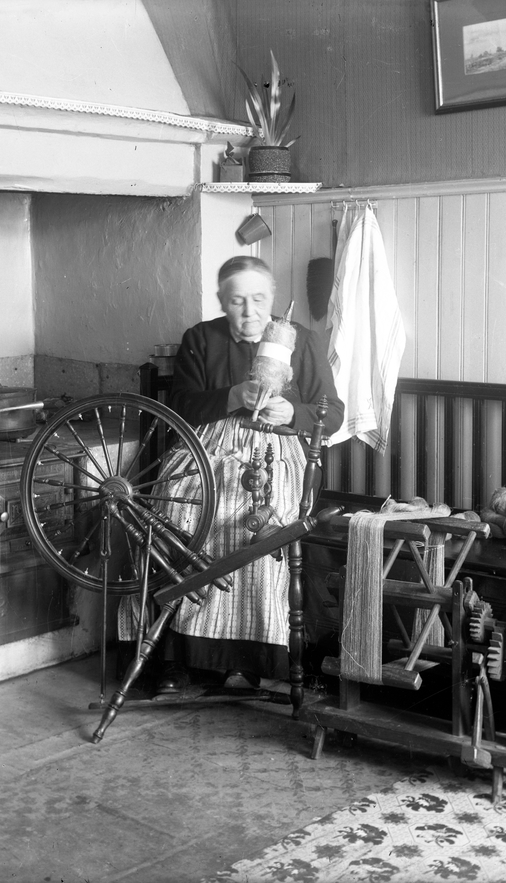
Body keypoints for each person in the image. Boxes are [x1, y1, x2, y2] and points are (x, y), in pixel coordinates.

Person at [121, 255, 344, 694]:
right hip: (206, 448)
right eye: (237, 301)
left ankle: (245, 661)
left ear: (272, 297)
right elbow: (181, 406)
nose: (249, 311)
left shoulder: (302, 340)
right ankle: (173, 658)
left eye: (258, 299)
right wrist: (233, 395)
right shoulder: (201, 338)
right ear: (222, 301)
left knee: (259, 521)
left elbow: (332, 413)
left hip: (274, 451)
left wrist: (293, 412)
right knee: (175, 513)